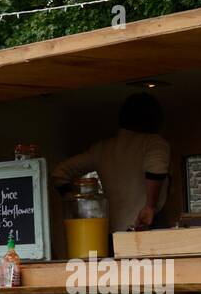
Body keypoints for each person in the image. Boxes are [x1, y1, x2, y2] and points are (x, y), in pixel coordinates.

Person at [52, 92, 170, 233]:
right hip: (145, 226)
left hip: (111, 231)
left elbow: (59, 173)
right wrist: (149, 207)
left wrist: (73, 202)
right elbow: (156, 170)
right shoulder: (154, 143)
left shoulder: (102, 149)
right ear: (155, 119)